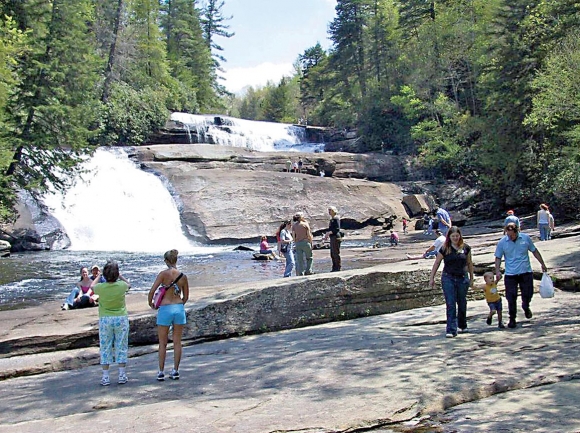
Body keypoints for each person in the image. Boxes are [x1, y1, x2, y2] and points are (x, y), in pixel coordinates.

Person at [494, 222, 548, 329]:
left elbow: (534, 251)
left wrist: (542, 263)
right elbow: (498, 257)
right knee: (511, 297)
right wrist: (497, 271)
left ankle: (526, 305)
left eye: (512, 234)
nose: (511, 237)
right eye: (508, 234)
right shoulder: (502, 242)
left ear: (517, 231)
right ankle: (512, 319)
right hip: (510, 274)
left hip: (525, 272)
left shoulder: (525, 238)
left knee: (528, 293)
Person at [148, 249, 189, 381]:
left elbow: (152, 291)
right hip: (178, 308)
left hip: (165, 308)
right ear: (176, 260)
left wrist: (151, 303)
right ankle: (176, 370)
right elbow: (186, 296)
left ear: (166, 261)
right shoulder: (183, 276)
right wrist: (179, 304)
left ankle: (161, 372)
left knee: (162, 342)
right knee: (177, 342)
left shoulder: (163, 275)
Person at [429, 226, 474, 338]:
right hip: (448, 278)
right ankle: (451, 329)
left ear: (460, 236)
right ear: (449, 237)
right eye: (453, 236)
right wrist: (432, 278)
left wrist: (472, 278)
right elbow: (437, 263)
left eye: (457, 236)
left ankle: (462, 325)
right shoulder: (445, 248)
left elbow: (469, 263)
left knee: (462, 302)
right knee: (450, 303)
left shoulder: (466, 248)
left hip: (462, 278)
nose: (455, 238)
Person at [91, 261, 131, 386]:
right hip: (121, 318)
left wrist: (99, 275)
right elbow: (129, 285)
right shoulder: (121, 286)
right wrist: (120, 276)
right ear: (117, 274)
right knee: (121, 345)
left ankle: (105, 376)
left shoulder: (101, 288)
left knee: (105, 346)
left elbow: (92, 286)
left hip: (105, 319)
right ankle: (121, 374)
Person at [323, 206, 342, 272]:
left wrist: (328, 233)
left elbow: (337, 229)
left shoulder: (336, 219)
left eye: (330, 210)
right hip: (332, 237)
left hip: (336, 237)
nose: (329, 212)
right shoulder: (332, 219)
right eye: (329, 210)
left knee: (335, 253)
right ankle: (334, 267)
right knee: (332, 253)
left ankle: (337, 267)